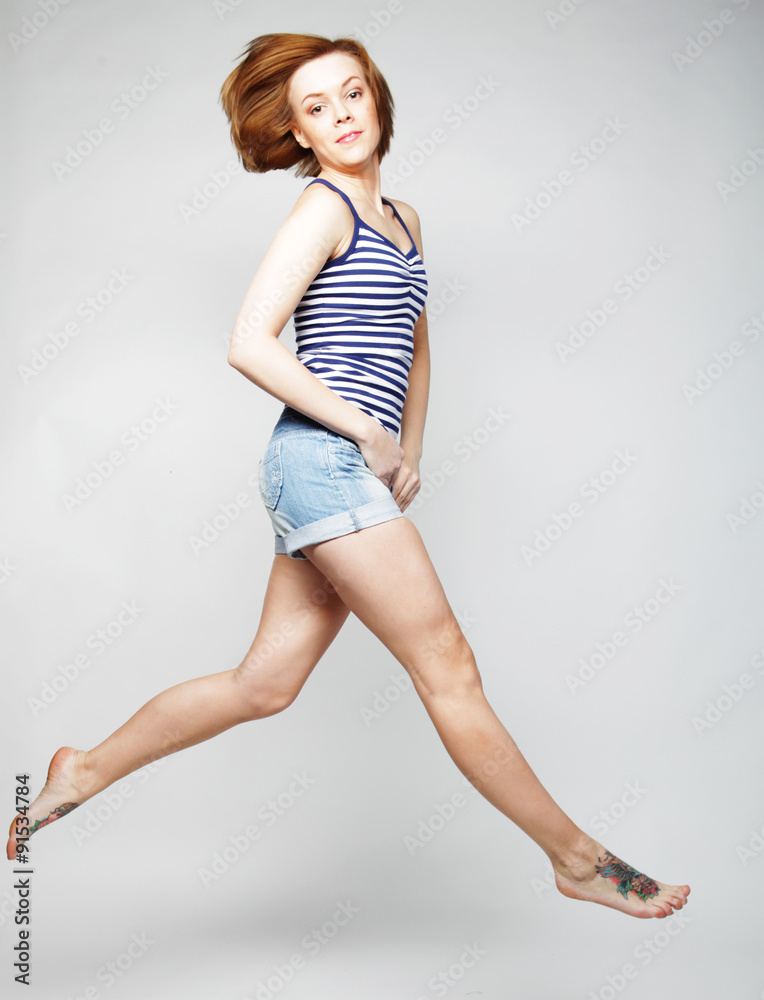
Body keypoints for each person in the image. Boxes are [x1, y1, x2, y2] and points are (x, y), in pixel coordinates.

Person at [7, 32, 690, 920]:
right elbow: (248, 343)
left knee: (265, 685)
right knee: (449, 665)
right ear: (295, 133)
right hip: (319, 462)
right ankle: (576, 859)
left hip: (341, 469)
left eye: (351, 95)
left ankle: (83, 768)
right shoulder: (322, 210)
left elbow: (414, 337)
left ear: (377, 99)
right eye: (316, 109)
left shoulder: (404, 217)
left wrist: (410, 444)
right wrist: (367, 433)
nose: (340, 117)